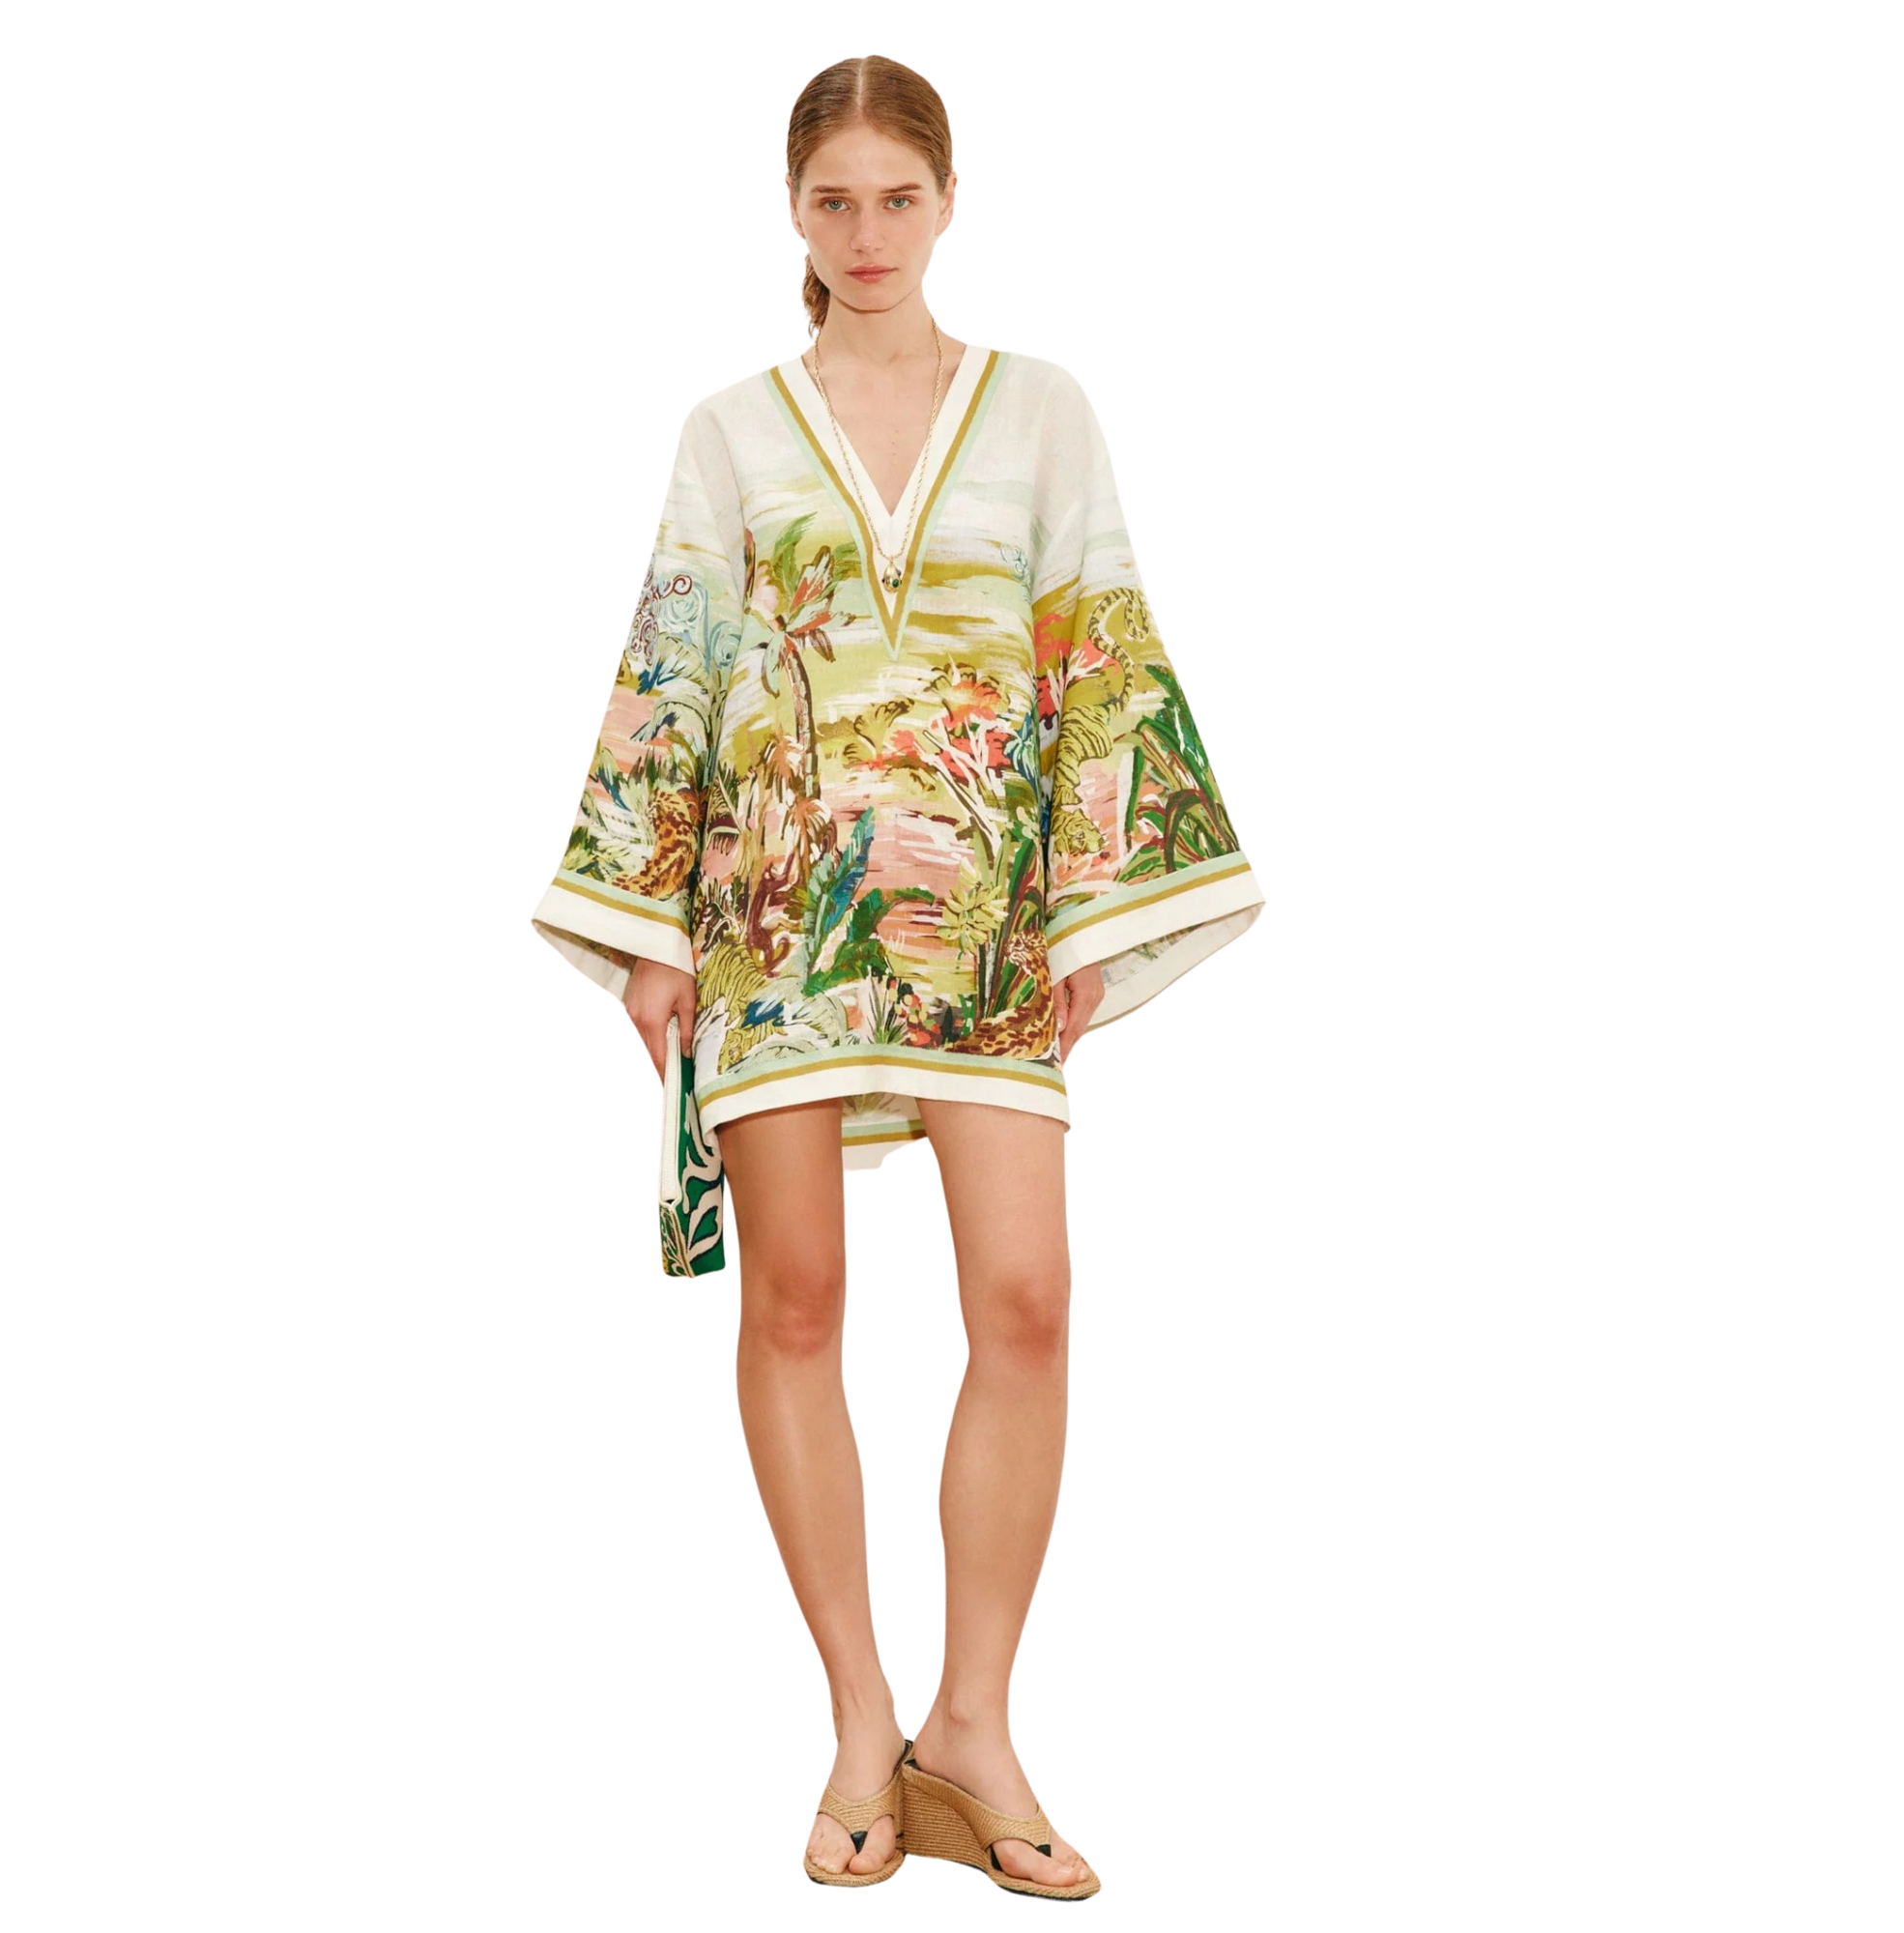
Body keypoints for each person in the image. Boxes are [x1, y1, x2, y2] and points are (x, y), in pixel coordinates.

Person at [526, 51, 1268, 1899]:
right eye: (834, 199)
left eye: (899, 197)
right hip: (774, 920)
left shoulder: (1045, 408)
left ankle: (974, 1728)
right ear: (791, 208)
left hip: (990, 922)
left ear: (952, 202)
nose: (868, 232)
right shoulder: (728, 429)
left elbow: (1101, 653)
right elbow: (671, 665)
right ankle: (861, 1720)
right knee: (796, 1304)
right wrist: (650, 944)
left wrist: (1092, 915)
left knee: (1026, 1302)